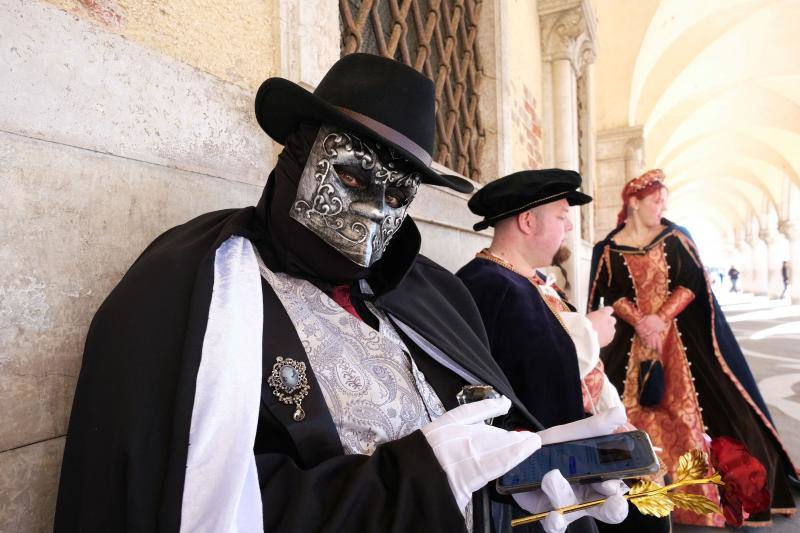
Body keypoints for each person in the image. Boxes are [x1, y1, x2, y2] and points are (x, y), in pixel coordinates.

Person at [54, 54, 630, 533]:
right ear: (298, 155)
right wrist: (411, 485)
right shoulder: (197, 286)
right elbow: (195, 504)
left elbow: (484, 437)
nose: (376, 210)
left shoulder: (431, 294)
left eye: (399, 192)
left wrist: (521, 475)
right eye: (354, 176)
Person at [457, 170, 668, 532]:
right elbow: (537, 377)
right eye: (561, 216)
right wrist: (590, 333)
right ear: (527, 221)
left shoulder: (523, 279)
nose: (568, 227)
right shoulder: (491, 285)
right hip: (545, 476)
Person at [588, 169, 798, 527]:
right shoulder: (607, 248)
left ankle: (707, 499)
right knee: (623, 411)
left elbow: (691, 282)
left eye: (664, 201)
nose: (662, 207)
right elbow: (610, 292)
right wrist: (639, 320)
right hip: (630, 342)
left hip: (681, 341)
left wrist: (661, 318)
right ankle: (640, 495)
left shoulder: (675, 238)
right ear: (634, 203)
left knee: (713, 410)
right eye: (656, 201)